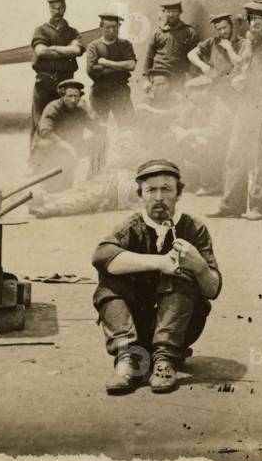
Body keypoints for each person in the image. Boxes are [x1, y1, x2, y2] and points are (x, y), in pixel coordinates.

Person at [92, 158, 222, 395]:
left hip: (180, 328)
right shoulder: (130, 227)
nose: (159, 197)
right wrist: (160, 263)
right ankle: (130, 358)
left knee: (181, 273)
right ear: (140, 194)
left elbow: (212, 290)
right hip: (133, 326)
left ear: (178, 193)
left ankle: (164, 360)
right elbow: (102, 256)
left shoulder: (194, 228)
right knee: (109, 282)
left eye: (166, 189)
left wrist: (199, 266)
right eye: (151, 190)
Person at [212, 1, 262, 220]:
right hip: (245, 106)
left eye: (258, 20)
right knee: (235, 155)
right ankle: (231, 205)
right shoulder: (248, 43)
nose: (254, 24)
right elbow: (240, 68)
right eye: (251, 20)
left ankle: (258, 206)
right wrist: (237, 79)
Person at [31, 0, 85, 146]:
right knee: (40, 124)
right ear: (49, 9)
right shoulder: (40, 30)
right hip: (44, 84)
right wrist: (65, 50)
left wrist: (53, 48)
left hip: (66, 84)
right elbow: (40, 51)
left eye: (60, 7)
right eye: (54, 7)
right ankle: (37, 164)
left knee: (66, 123)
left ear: (65, 8)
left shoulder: (73, 32)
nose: (57, 10)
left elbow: (76, 50)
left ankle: (66, 164)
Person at [31, 79, 104, 190]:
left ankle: (93, 178)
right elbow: (45, 131)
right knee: (45, 145)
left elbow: (101, 129)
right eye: (69, 96)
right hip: (55, 147)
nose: (73, 100)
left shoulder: (81, 109)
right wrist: (67, 147)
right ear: (62, 95)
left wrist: (89, 111)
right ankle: (45, 181)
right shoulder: (53, 107)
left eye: (76, 96)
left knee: (101, 140)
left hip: (73, 147)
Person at [171, 76, 232, 197]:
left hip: (222, 147)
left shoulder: (219, 107)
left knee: (207, 145)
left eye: (202, 89)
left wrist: (190, 133)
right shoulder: (191, 106)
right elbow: (175, 123)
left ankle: (211, 185)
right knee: (171, 142)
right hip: (198, 142)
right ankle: (185, 181)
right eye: (194, 90)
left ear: (210, 91)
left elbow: (216, 132)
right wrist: (178, 131)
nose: (197, 94)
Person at [86, 13, 137, 125]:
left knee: (128, 126)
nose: (111, 31)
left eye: (115, 27)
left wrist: (106, 63)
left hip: (120, 91)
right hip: (99, 92)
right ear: (101, 27)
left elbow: (132, 65)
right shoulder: (93, 46)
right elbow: (91, 71)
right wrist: (121, 67)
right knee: (98, 129)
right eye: (108, 27)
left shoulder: (125, 44)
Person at [144, 0, 198, 92]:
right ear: (164, 13)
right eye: (168, 11)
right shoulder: (158, 32)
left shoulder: (189, 32)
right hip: (159, 76)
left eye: (174, 11)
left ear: (180, 12)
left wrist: (190, 78)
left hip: (178, 76)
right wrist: (145, 79)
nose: (171, 14)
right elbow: (149, 57)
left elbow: (195, 57)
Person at [187, 13, 240, 84]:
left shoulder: (241, 42)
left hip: (231, 82)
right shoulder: (212, 42)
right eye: (219, 29)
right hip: (214, 81)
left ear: (231, 26)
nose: (223, 32)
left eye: (225, 27)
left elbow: (241, 65)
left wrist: (230, 50)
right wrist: (203, 66)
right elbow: (191, 54)